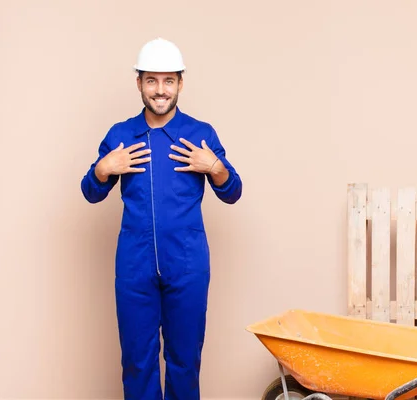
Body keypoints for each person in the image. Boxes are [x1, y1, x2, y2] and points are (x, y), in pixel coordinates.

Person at [80, 37, 242, 400]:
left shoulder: (200, 135)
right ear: (138, 83)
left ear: (180, 84)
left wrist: (213, 166)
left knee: (185, 361)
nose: (160, 90)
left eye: (169, 81)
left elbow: (233, 192)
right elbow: (90, 192)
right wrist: (103, 169)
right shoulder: (120, 136)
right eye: (151, 80)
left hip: (187, 265)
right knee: (137, 362)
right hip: (135, 266)